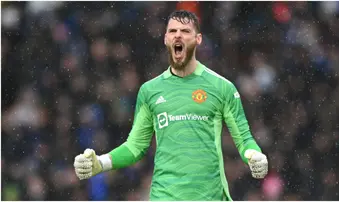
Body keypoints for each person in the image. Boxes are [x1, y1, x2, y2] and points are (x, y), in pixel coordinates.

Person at [73, 10, 268, 201]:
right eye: (173, 31)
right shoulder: (150, 91)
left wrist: (255, 155)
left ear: (198, 39)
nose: (178, 36)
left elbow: (244, 140)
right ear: (166, 39)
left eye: (185, 31)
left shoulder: (222, 87)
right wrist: (101, 162)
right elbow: (135, 147)